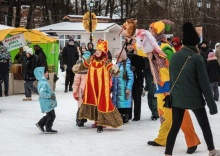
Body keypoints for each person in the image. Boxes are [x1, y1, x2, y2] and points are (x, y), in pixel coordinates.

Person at [165, 22, 219, 156]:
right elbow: (204, 84)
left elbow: (172, 79)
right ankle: (212, 150)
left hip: (177, 98)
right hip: (195, 99)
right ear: (195, 44)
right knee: (204, 125)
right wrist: (212, 106)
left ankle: (168, 153)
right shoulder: (197, 58)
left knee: (175, 127)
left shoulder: (175, 56)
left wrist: (172, 96)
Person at [147, 20, 200, 154]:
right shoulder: (153, 46)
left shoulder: (164, 46)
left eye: (152, 30)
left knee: (181, 116)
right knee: (163, 114)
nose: (150, 32)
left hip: (169, 86)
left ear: (157, 31)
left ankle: (192, 140)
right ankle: (163, 138)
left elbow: (173, 62)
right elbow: (141, 50)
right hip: (160, 86)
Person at [72, 40, 123, 133]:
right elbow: (83, 66)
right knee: (94, 103)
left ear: (103, 52)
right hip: (92, 87)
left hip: (102, 88)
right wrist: (77, 67)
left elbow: (112, 71)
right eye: (96, 50)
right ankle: (96, 121)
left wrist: (115, 69)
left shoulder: (106, 61)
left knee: (102, 104)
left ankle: (101, 123)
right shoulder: (91, 59)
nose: (96, 52)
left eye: (99, 50)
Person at [112, 50, 134, 123]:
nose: (117, 59)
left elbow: (130, 78)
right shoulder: (117, 65)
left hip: (123, 88)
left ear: (122, 57)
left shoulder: (127, 65)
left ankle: (124, 116)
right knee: (118, 104)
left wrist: (128, 88)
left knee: (123, 103)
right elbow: (113, 76)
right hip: (117, 88)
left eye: (118, 57)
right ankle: (118, 117)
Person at [34, 67, 57, 134]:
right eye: (46, 72)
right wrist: (50, 96)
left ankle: (40, 123)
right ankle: (48, 128)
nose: (47, 73)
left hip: (48, 101)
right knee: (51, 115)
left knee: (50, 115)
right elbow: (42, 93)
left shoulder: (44, 81)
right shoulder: (42, 83)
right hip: (46, 102)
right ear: (41, 74)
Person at [125, 41, 145, 121]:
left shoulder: (138, 54)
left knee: (137, 98)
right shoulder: (124, 55)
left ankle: (137, 116)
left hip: (137, 78)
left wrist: (136, 68)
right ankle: (128, 115)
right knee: (128, 97)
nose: (130, 46)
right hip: (127, 80)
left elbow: (142, 65)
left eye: (131, 45)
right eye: (128, 45)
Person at [72, 51, 89, 127]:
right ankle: (79, 120)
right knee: (81, 106)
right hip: (82, 91)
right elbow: (76, 82)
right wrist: (75, 92)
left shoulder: (91, 69)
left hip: (90, 91)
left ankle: (84, 118)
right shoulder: (80, 69)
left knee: (88, 106)